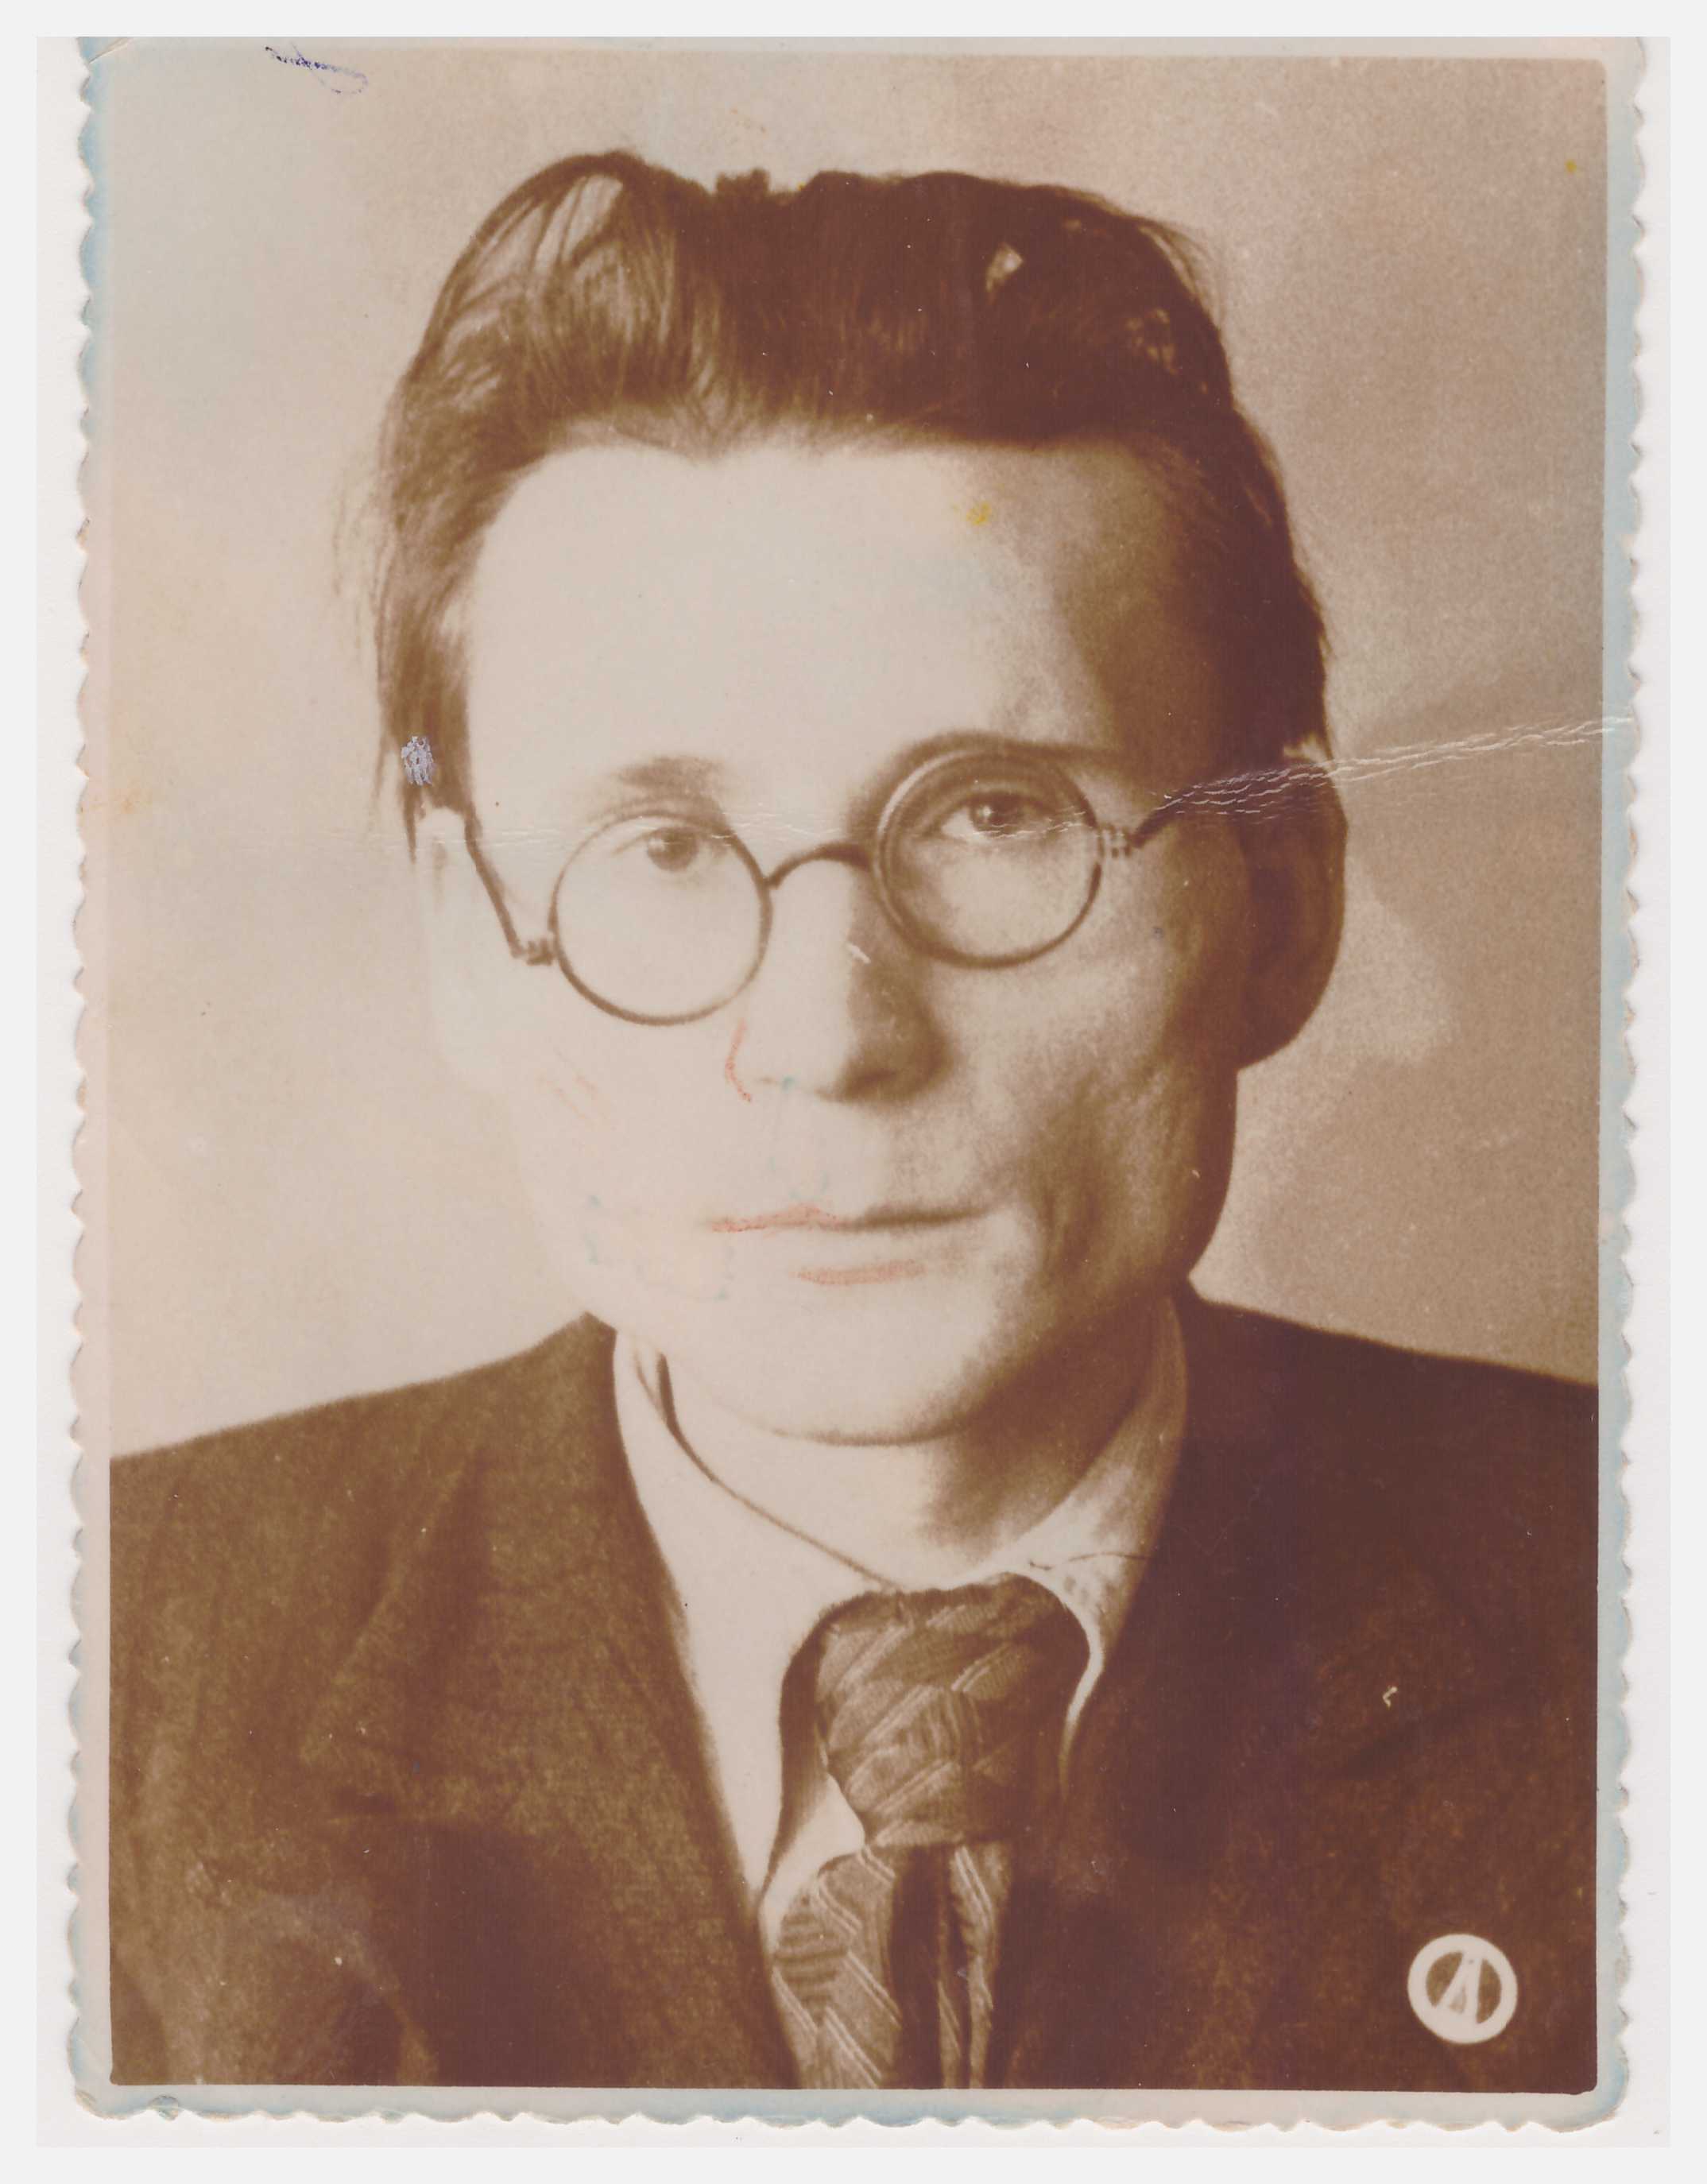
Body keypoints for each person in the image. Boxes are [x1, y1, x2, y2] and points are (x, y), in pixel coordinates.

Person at [109, 153, 1599, 2096]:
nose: (827, 1039)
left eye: (997, 816)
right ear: (470, 945)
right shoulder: (97, 1664)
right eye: (661, 847)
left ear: (1282, 906)